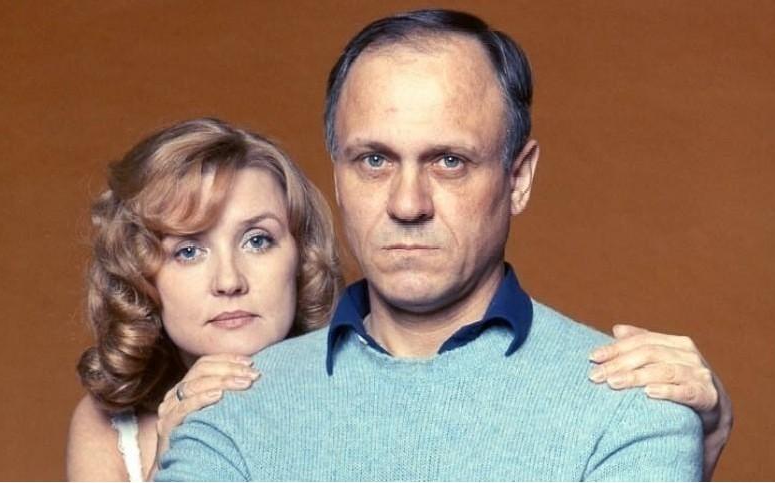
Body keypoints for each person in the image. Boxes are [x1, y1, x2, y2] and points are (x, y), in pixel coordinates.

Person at [156, 10, 729, 481]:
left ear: (518, 178)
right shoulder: (226, 413)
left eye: (449, 161)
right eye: (374, 160)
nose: (408, 204)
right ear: (338, 177)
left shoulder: (631, 406)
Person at [65, 118, 343, 481]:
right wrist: (172, 458)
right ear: (139, 274)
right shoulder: (110, 428)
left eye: (257, 240)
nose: (229, 281)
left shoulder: (358, 389)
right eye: (188, 251)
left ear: (301, 256)